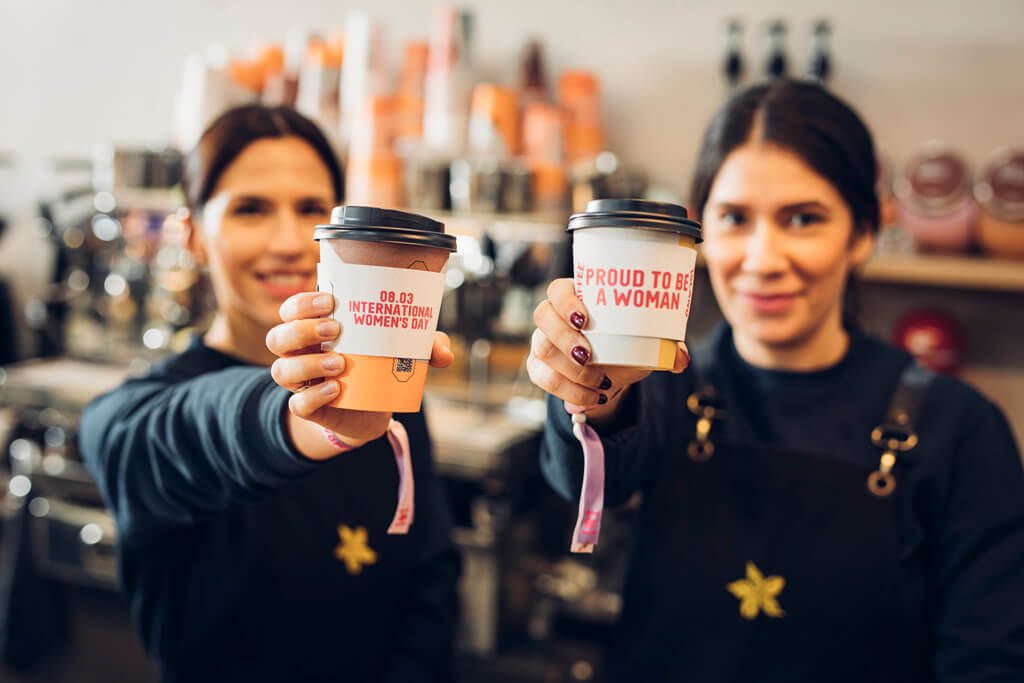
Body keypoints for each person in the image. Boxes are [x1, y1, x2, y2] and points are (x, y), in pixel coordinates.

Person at [528, 79, 1024, 681]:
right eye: (735, 218)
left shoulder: (962, 430)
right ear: (699, 233)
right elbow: (583, 475)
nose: (762, 259)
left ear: (862, 232)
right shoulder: (660, 386)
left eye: (803, 219)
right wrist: (588, 390)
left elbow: (987, 658)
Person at [80, 105, 459, 682]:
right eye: (250, 209)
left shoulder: (387, 393)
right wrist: (291, 418)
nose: (289, 242)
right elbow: (185, 430)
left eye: (311, 210)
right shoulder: (137, 418)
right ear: (194, 234)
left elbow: (430, 579)